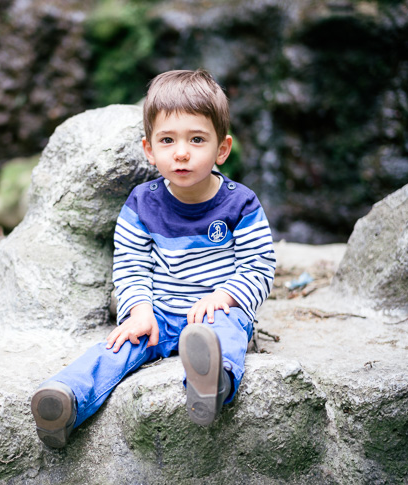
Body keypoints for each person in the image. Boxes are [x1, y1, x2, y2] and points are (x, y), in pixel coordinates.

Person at [30, 69, 276, 449]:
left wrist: (225, 296)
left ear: (221, 149)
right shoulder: (141, 204)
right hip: (158, 313)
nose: (181, 152)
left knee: (226, 334)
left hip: (215, 313)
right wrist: (139, 310)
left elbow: (259, 265)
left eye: (197, 139)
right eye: (167, 140)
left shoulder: (240, 203)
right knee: (116, 346)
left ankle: (212, 384)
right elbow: (130, 264)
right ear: (149, 150)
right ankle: (65, 398)